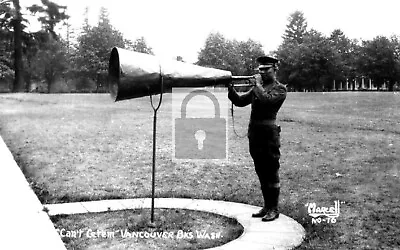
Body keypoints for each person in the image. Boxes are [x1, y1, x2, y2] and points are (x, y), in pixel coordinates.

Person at [228, 56, 287, 221]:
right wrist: (230, 89)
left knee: (271, 171)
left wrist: (257, 85)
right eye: (260, 69)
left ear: (275, 69)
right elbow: (240, 101)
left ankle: (274, 209)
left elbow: (267, 101)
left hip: (269, 135)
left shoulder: (280, 88)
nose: (261, 72)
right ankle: (266, 207)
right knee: (261, 171)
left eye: (266, 69)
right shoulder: (257, 87)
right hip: (255, 134)